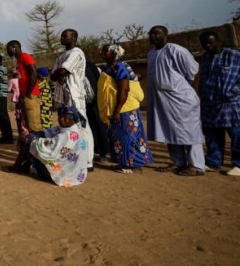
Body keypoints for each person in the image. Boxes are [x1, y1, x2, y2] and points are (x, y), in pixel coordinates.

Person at [147, 25, 204, 177]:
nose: (153, 36)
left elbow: (192, 70)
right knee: (170, 131)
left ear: (165, 34)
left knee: (189, 131)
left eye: (156, 33)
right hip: (162, 100)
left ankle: (196, 166)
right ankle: (178, 162)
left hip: (181, 98)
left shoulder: (175, 50)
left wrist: (176, 85)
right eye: (151, 33)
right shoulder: (151, 54)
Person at [98, 42, 152, 174]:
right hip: (116, 109)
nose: (102, 54)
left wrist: (117, 111)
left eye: (106, 51)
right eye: (102, 51)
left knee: (129, 136)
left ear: (114, 53)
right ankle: (124, 163)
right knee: (118, 137)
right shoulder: (108, 68)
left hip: (125, 109)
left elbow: (124, 90)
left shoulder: (119, 67)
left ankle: (134, 166)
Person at [50, 29, 95, 170]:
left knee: (82, 127)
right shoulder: (62, 56)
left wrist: (60, 73)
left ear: (73, 37)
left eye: (65, 36)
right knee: (68, 128)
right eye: (61, 35)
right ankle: (74, 157)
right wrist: (59, 73)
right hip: (64, 97)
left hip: (75, 96)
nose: (62, 38)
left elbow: (64, 71)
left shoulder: (77, 53)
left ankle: (88, 160)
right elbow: (52, 76)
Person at [198, 31, 240, 176]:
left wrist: (233, 92)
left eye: (211, 42)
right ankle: (213, 162)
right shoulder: (205, 58)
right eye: (205, 44)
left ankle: (238, 165)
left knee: (236, 134)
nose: (208, 46)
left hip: (230, 105)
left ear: (218, 41)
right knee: (212, 135)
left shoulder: (234, 56)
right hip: (209, 104)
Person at [26, 105, 89, 187]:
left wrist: (28, 140)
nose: (61, 119)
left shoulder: (68, 134)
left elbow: (50, 149)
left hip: (64, 175)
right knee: (34, 138)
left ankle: (18, 166)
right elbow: (47, 133)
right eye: (60, 116)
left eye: (65, 117)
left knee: (32, 143)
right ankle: (22, 165)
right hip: (74, 174)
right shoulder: (74, 129)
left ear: (72, 119)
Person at [6, 40, 42, 138]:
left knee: (34, 126)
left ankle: (38, 150)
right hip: (24, 95)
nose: (7, 52)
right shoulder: (19, 60)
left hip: (31, 95)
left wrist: (28, 93)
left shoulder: (25, 56)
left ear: (14, 48)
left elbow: (34, 73)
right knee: (28, 126)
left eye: (8, 49)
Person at [85, 55, 110, 163]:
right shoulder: (93, 67)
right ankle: (97, 152)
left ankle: (102, 153)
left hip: (94, 102)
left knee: (97, 126)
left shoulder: (87, 67)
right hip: (91, 103)